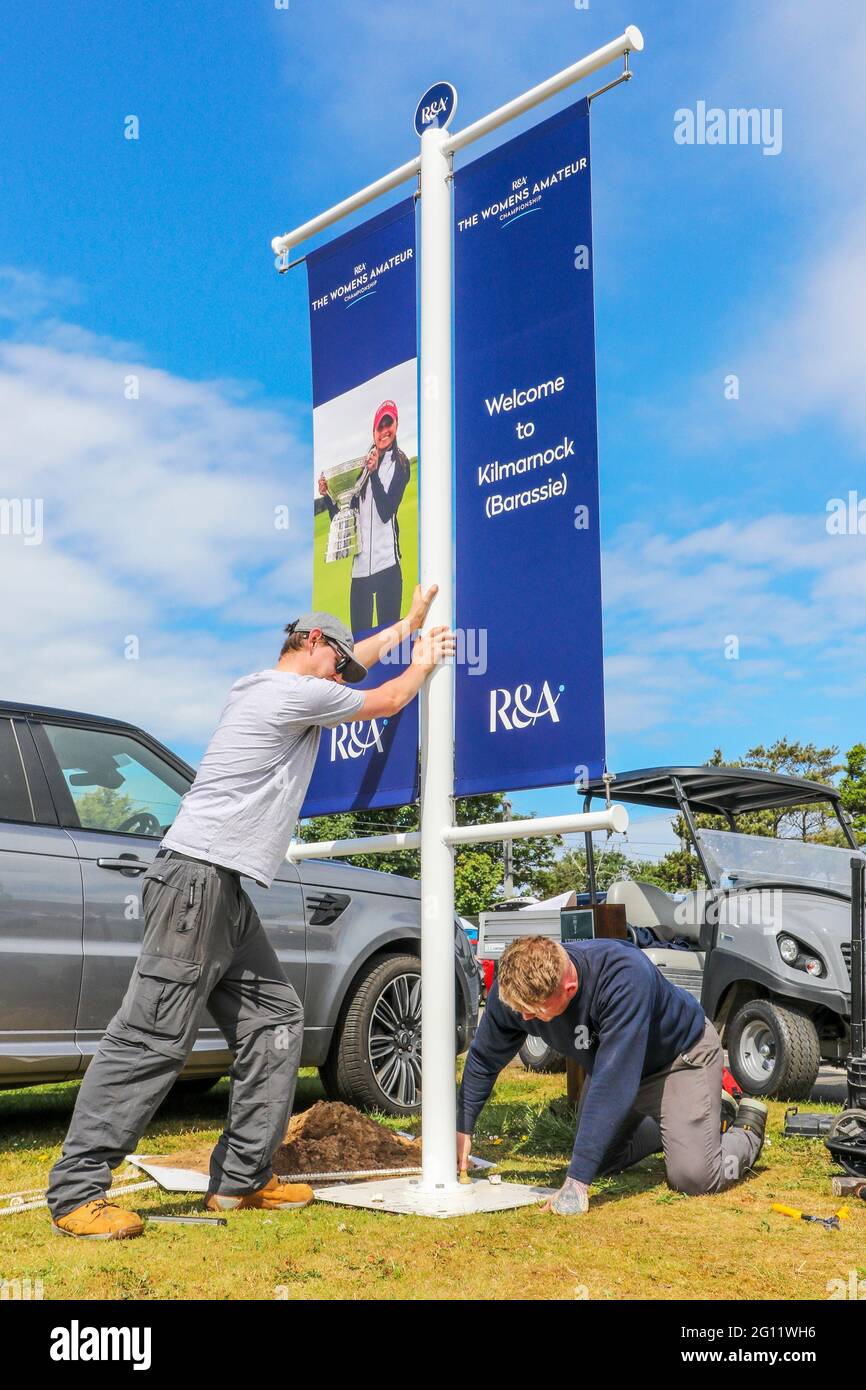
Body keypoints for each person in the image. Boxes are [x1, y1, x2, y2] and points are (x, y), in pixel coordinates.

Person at [47, 586, 453, 1239]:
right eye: (337, 662)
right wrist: (425, 656)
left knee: (276, 1019)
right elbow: (389, 696)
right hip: (195, 880)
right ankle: (76, 1193)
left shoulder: (262, 687)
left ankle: (239, 1181)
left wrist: (403, 626)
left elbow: (362, 661)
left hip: (222, 886)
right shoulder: (291, 692)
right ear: (313, 642)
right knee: (153, 1035)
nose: (342, 677)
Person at [456, 935, 767, 1216]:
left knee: (694, 1176)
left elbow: (613, 1083)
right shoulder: (514, 986)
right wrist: (462, 1127)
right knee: (599, 1161)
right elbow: (484, 1058)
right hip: (614, 1068)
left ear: (570, 989)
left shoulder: (623, 974)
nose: (524, 1019)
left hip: (679, 1061)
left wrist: (576, 1185)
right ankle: (686, 1125)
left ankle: (745, 1128)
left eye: (535, 1011)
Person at [318, 398, 410, 633]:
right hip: (360, 573)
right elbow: (343, 519)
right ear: (374, 431)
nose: (384, 431)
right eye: (380, 426)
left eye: (389, 425)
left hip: (388, 566)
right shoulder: (363, 467)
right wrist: (328, 494)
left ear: (396, 426)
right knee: (359, 647)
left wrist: (375, 473)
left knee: (389, 645)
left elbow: (386, 511)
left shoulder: (401, 464)